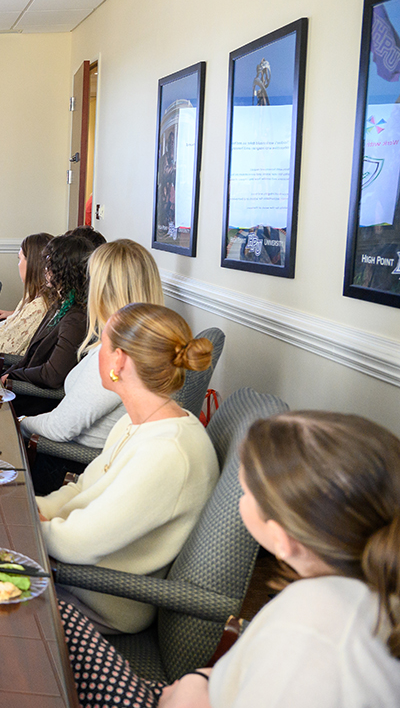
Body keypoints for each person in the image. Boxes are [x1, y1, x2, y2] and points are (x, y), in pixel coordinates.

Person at [62, 411, 400, 708]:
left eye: (246, 493)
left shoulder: (317, 629)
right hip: (205, 689)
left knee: (59, 617)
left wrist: (191, 693)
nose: (239, 499)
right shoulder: (353, 593)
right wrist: (203, 680)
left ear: (281, 539)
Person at [37, 303, 217, 635]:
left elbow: (76, 543)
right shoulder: (137, 421)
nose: (96, 353)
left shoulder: (168, 452)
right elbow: (82, 489)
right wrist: (34, 508)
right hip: (72, 569)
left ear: (119, 360)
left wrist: (28, 526)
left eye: (102, 343)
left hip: (101, 599)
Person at [21, 240, 166, 494]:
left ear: (103, 289)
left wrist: (19, 421)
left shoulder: (121, 352)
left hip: (70, 466)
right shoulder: (146, 339)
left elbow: (60, 428)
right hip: (85, 462)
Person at [0, 234, 95, 413]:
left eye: (50, 262)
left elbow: (52, 376)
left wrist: (12, 375)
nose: (45, 268)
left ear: (65, 268)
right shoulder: (59, 304)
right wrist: (6, 374)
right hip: (21, 386)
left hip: (36, 401)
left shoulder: (76, 318)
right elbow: (31, 356)